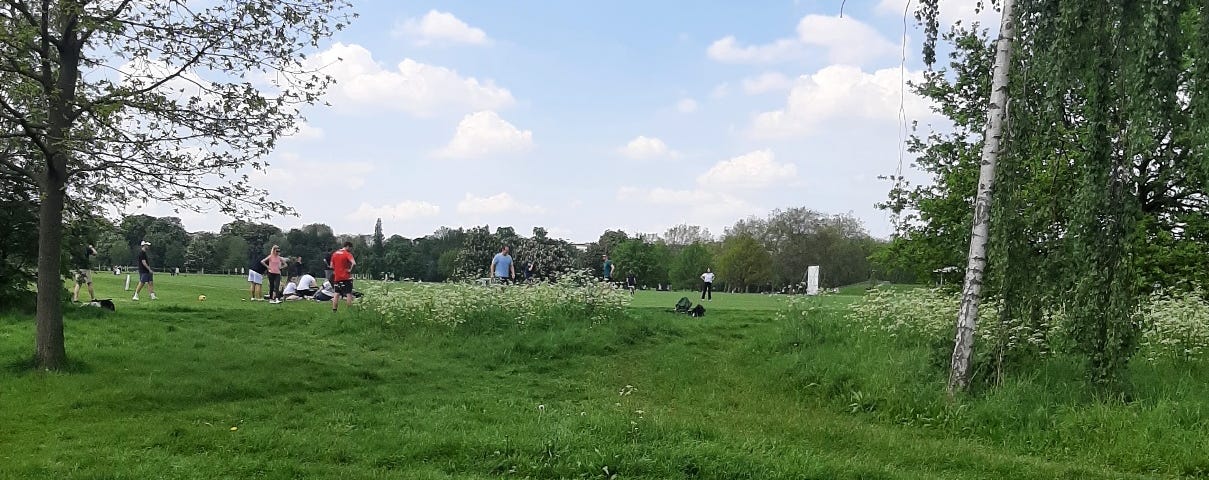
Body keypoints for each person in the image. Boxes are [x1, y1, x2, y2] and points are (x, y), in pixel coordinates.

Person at [330, 241, 356, 312]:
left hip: (337, 277)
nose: (350, 249)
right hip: (346, 277)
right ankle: (349, 310)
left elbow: (331, 265)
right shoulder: (347, 254)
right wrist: (350, 270)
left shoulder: (334, 254)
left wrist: (337, 269)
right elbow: (354, 263)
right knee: (348, 293)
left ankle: (334, 310)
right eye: (350, 248)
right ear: (347, 246)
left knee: (336, 293)